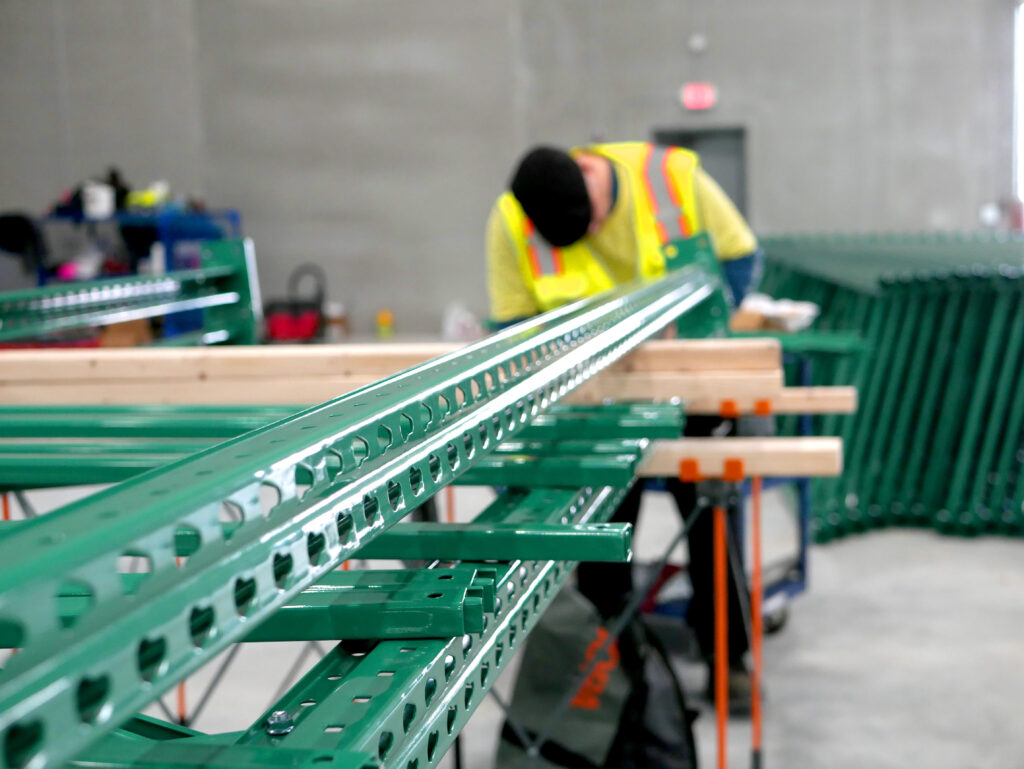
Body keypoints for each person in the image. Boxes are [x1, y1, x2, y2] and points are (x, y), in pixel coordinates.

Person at [485, 141, 763, 708]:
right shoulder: (513, 220)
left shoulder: (670, 181)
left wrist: (696, 333)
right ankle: (617, 674)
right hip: (597, 401)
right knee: (599, 531)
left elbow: (740, 256)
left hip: (689, 386)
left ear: (591, 176)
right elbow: (512, 330)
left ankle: (727, 659)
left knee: (711, 513)